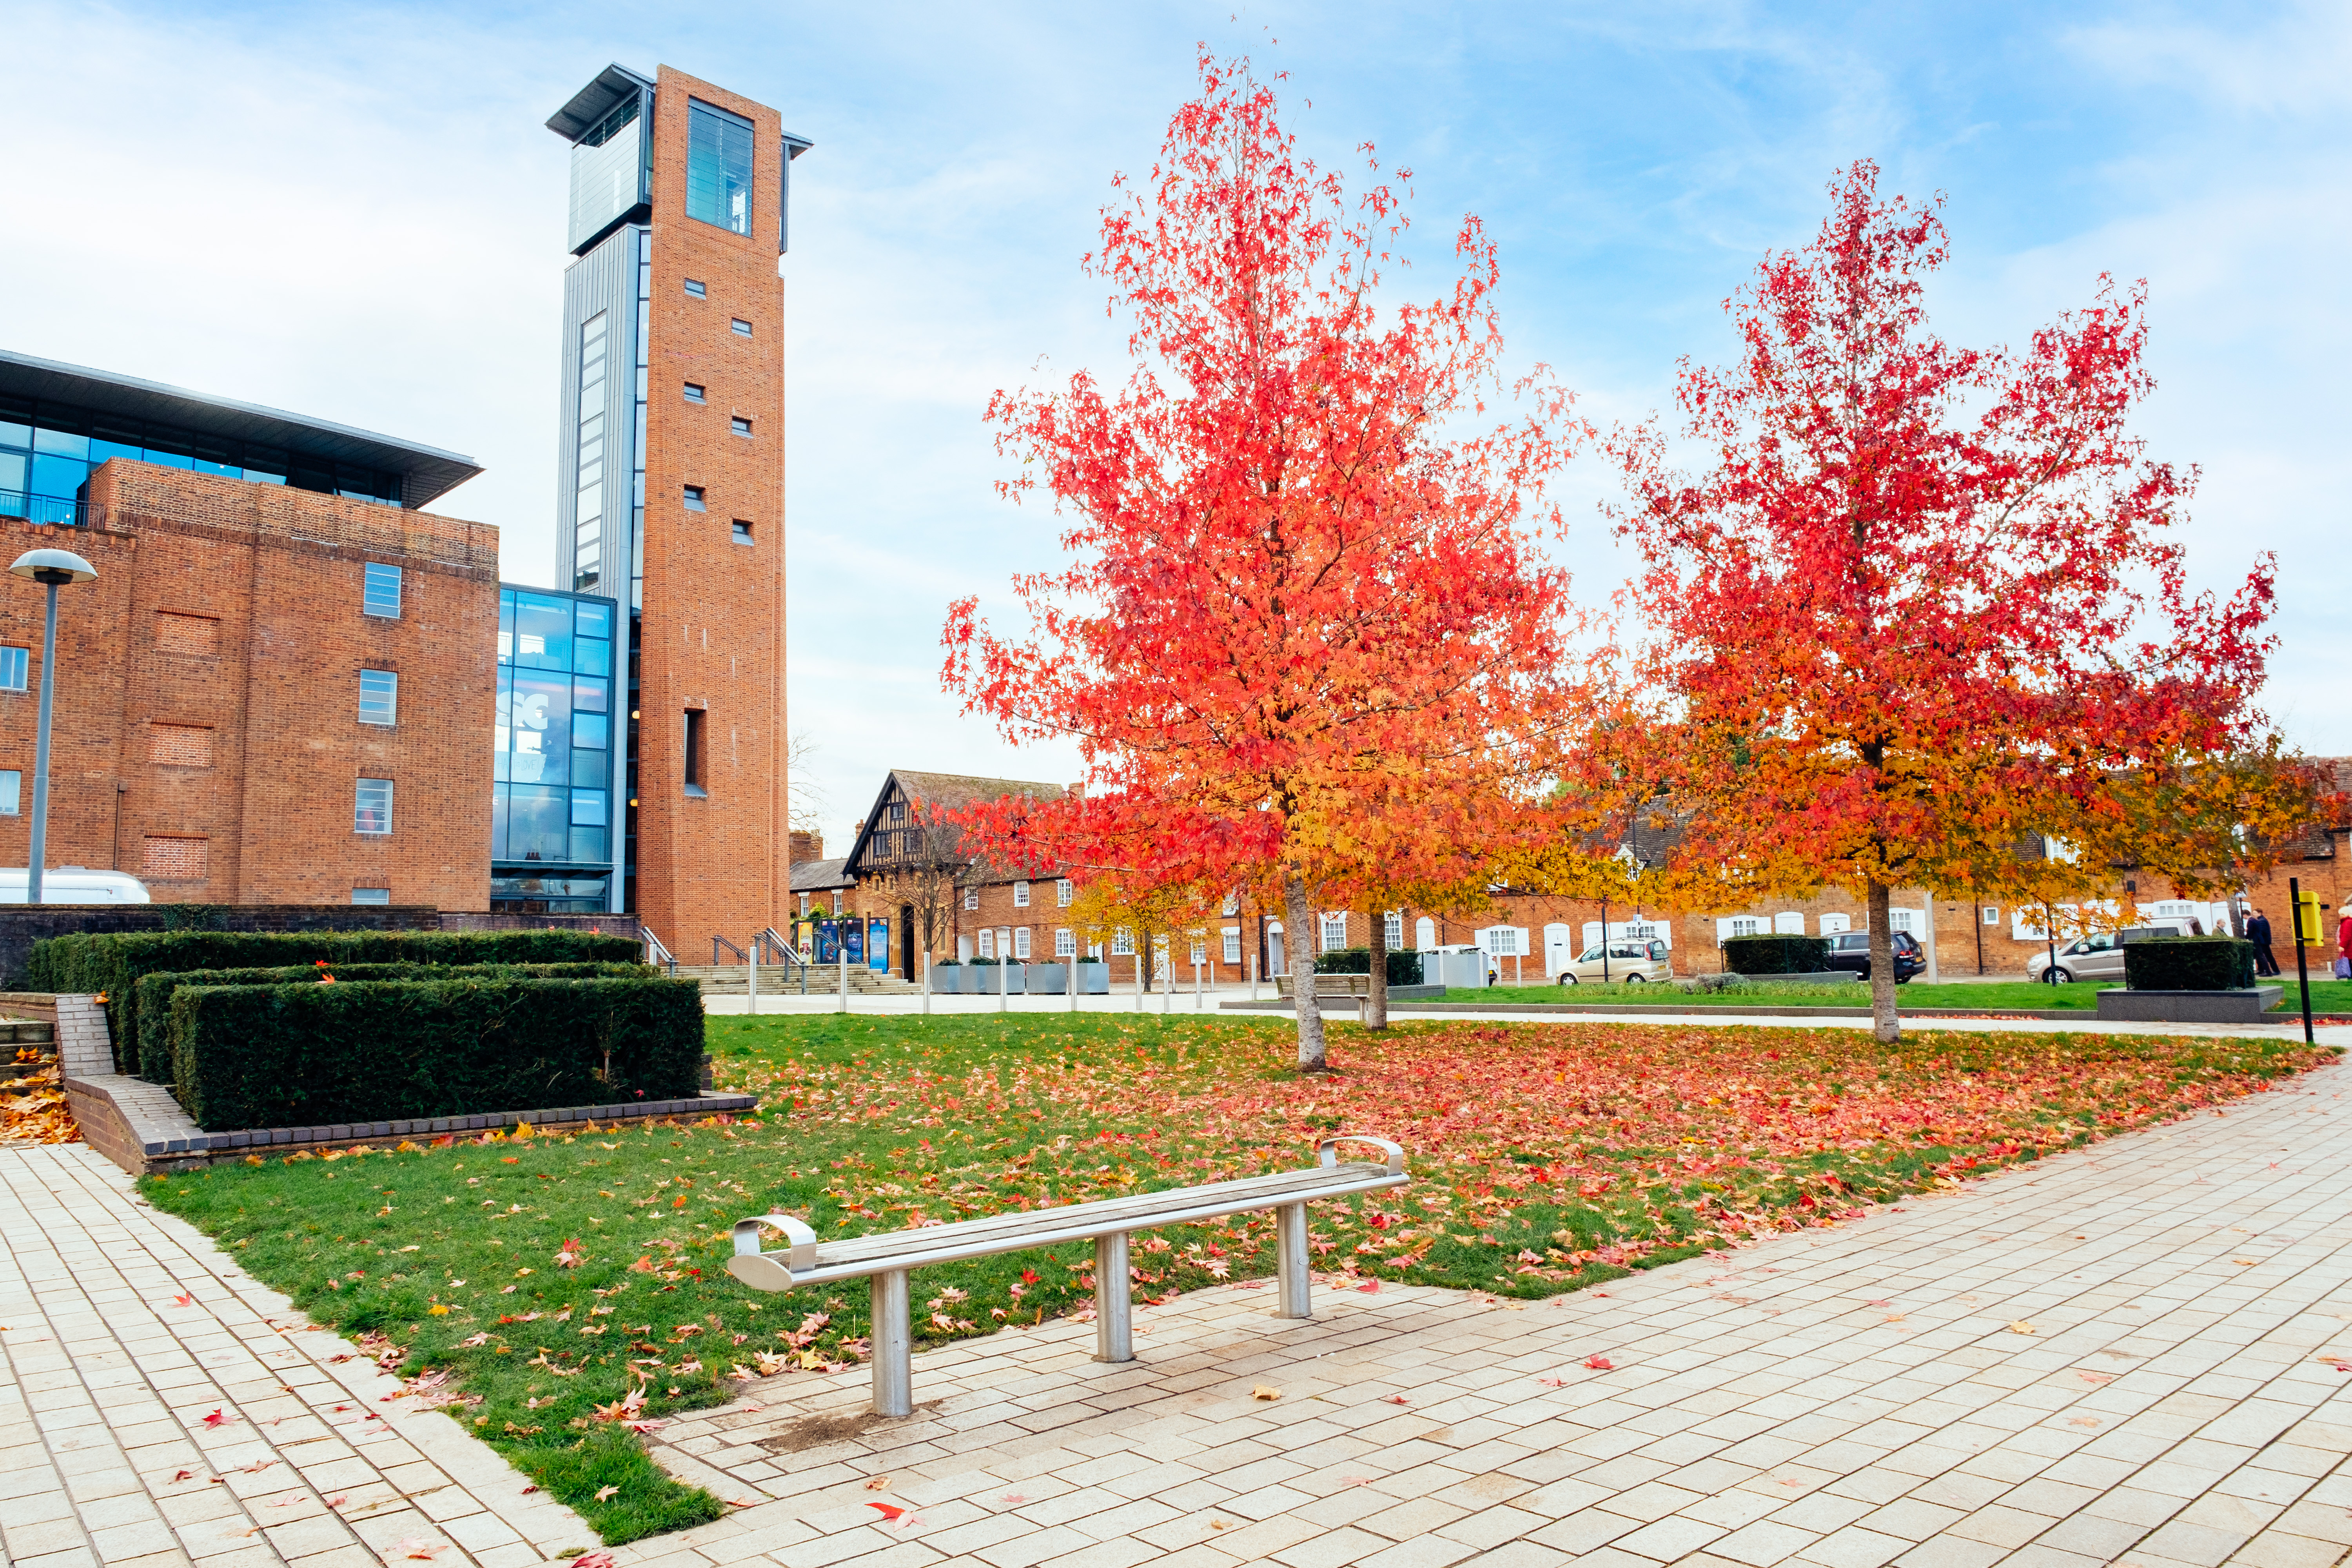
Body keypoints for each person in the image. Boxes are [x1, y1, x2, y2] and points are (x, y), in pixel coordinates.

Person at [2247, 907, 2280, 977]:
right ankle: (2261, 970)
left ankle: (2276, 970)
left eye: (2255, 913)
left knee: (2268, 956)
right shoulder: (2260, 920)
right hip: (2263, 941)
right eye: (2253, 913)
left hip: (2264, 942)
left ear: (2260, 913)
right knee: (2261, 956)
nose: (2254, 915)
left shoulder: (2262, 921)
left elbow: (2262, 931)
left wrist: (2256, 935)